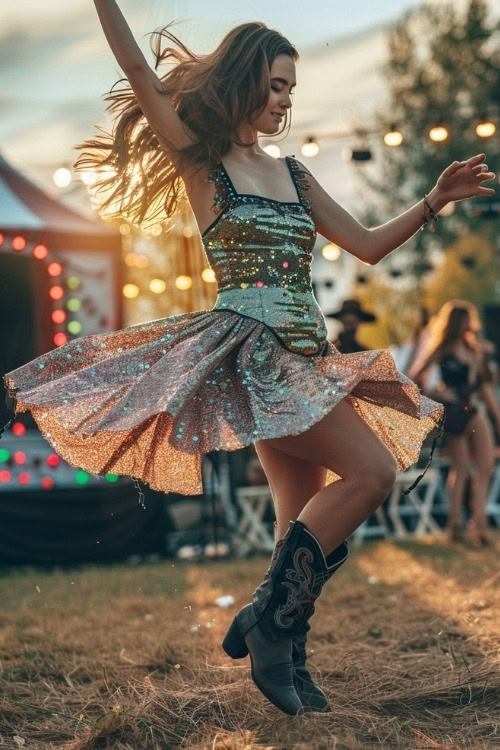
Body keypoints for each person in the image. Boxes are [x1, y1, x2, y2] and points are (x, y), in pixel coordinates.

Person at [2, 3, 496, 716]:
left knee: (297, 516)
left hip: (309, 358)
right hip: (249, 359)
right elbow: (139, 69)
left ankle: (285, 656)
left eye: (293, 87)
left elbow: (366, 244)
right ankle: (269, 625)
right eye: (277, 84)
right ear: (244, 81)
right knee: (373, 471)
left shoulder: (294, 175)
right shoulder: (202, 160)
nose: (287, 99)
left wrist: (433, 200)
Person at [408, 300, 500, 545]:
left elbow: (485, 388)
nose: (470, 324)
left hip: (474, 410)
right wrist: (438, 393)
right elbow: (416, 377)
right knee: (459, 469)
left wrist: (498, 418)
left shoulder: (474, 352)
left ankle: (478, 522)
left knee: (485, 466)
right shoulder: (443, 350)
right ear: (458, 321)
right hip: (454, 414)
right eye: (466, 319)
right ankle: (454, 523)